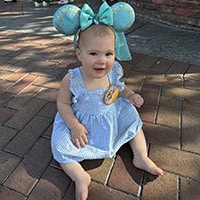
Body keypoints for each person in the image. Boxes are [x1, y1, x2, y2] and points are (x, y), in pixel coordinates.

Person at [51, 2, 163, 200]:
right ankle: (80, 177)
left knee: (133, 123)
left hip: (111, 114)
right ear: (79, 54)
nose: (102, 60)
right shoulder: (73, 78)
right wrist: (74, 125)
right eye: (93, 53)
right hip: (83, 122)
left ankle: (141, 156)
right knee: (59, 147)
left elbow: (119, 88)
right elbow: (63, 104)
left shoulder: (113, 71)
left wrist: (130, 95)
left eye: (108, 54)